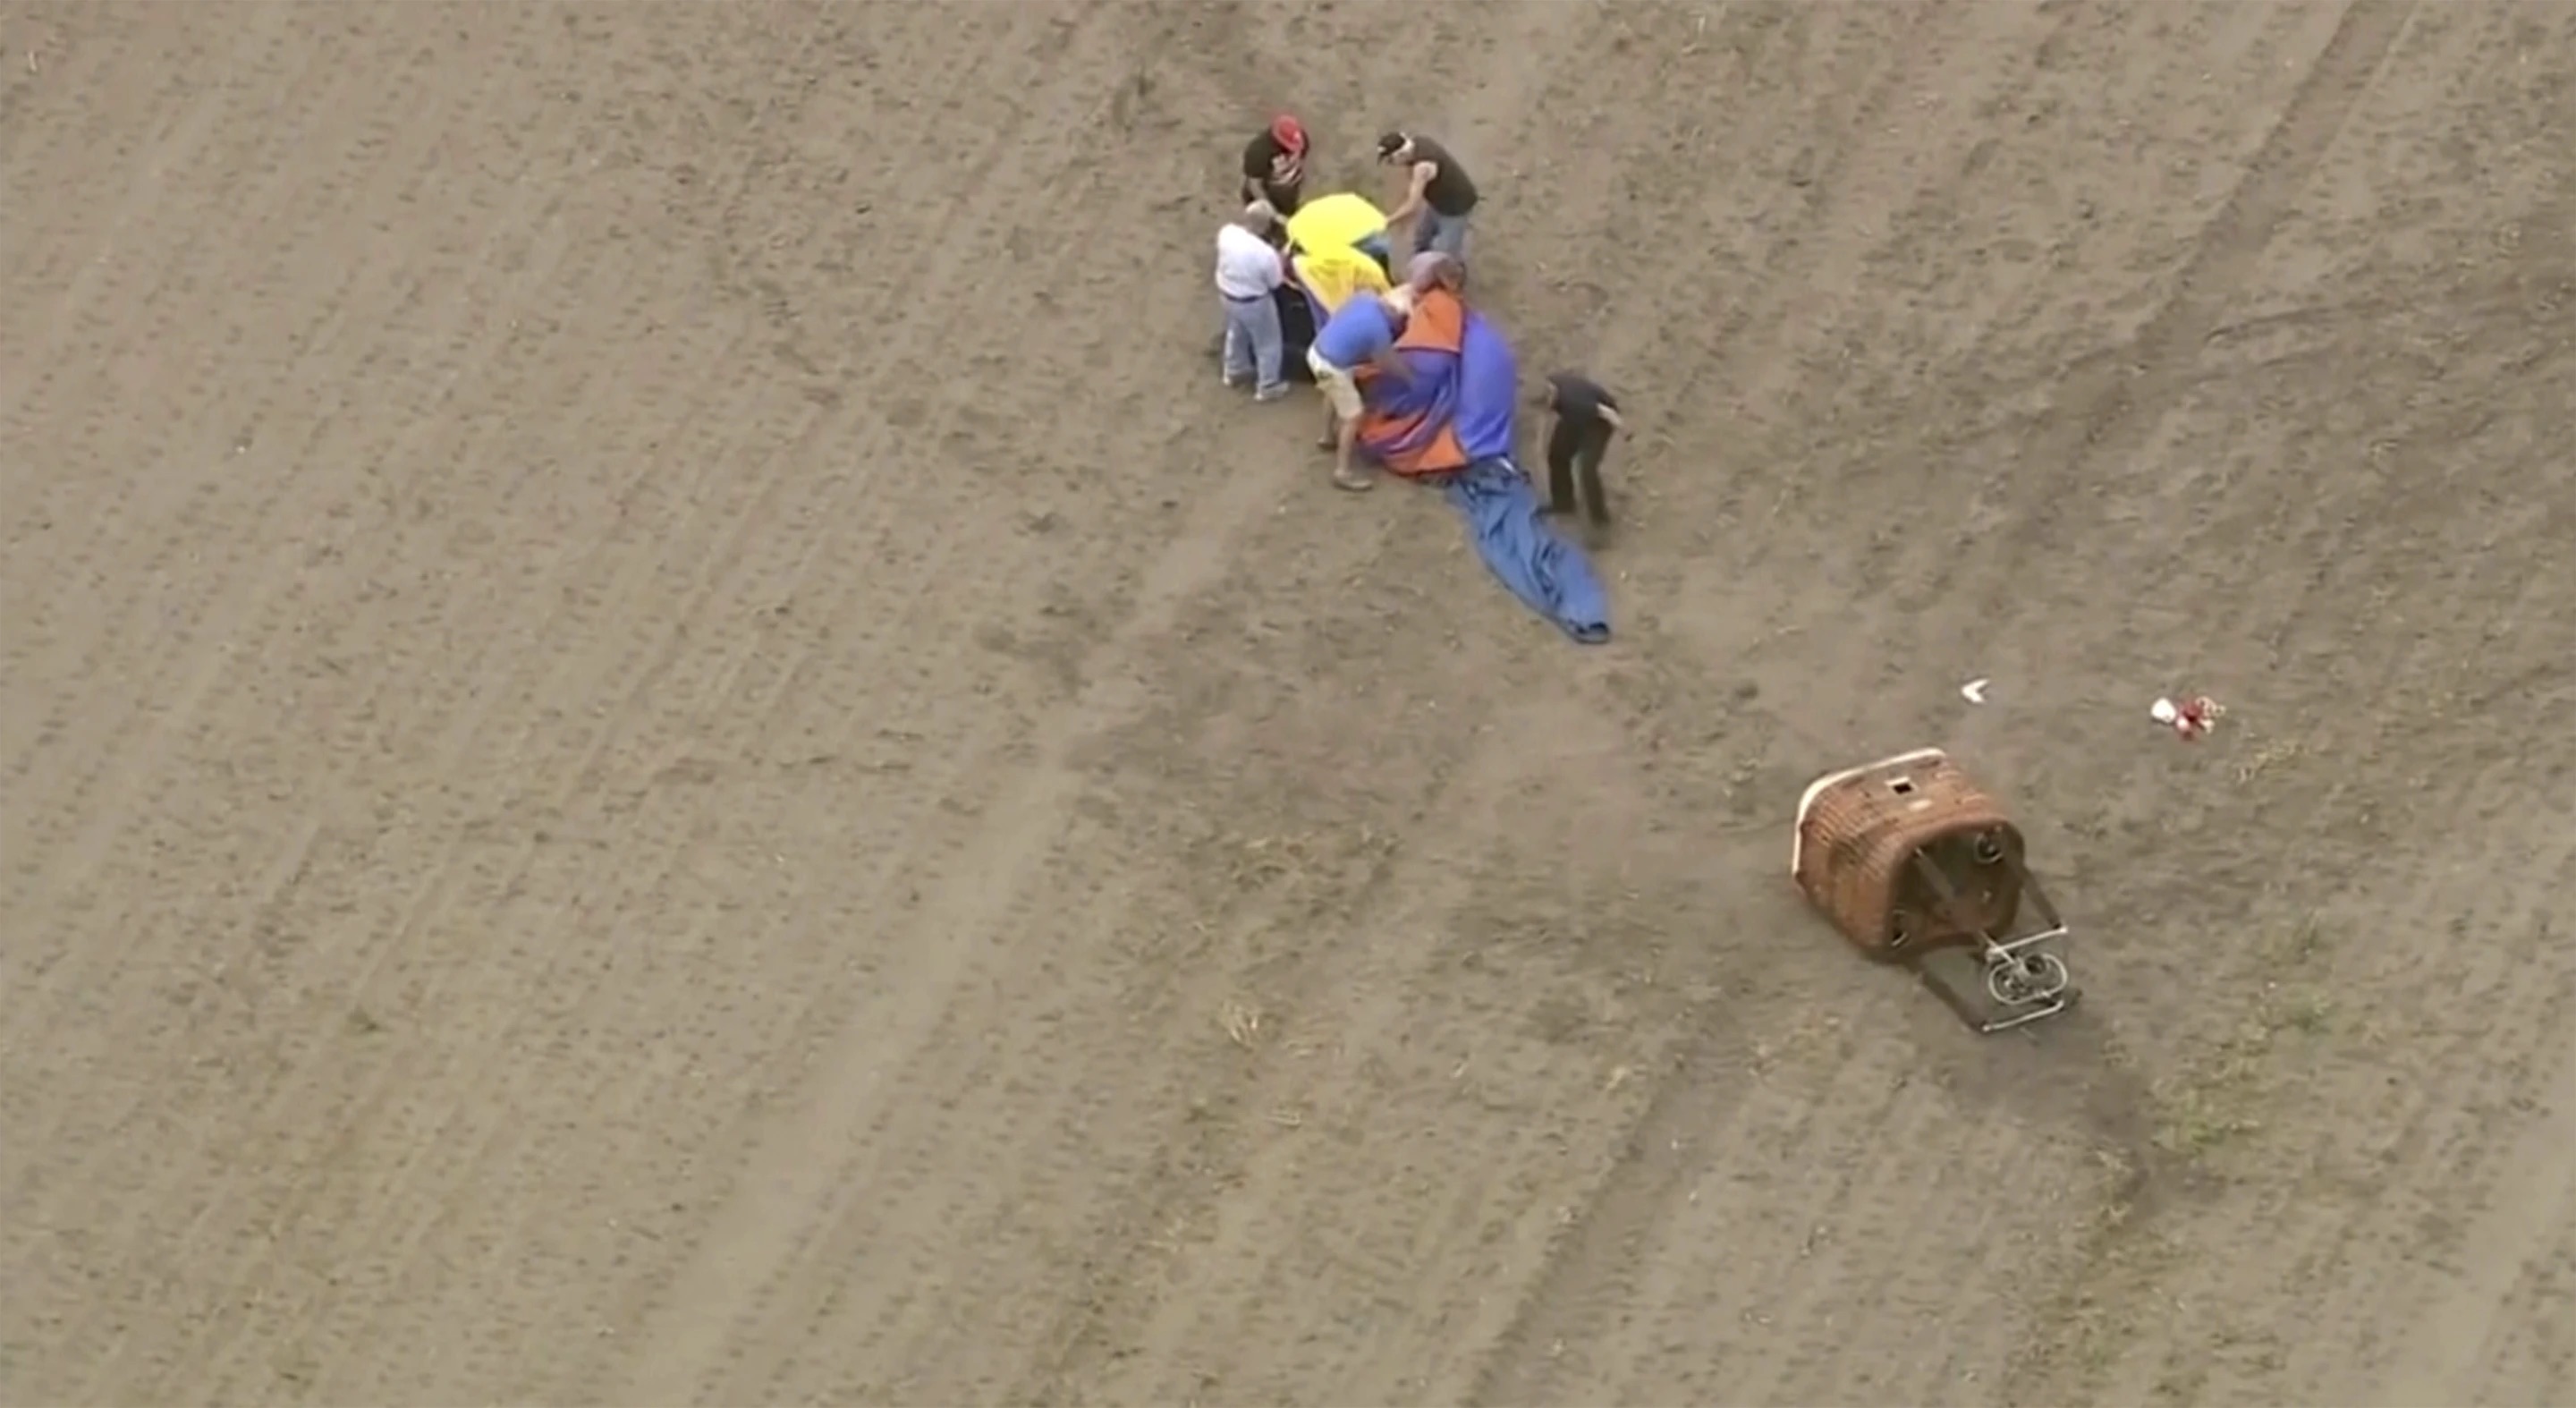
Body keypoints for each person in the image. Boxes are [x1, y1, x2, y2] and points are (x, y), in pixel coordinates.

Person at [1307, 287, 1416, 492]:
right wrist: (1409, 378)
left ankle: (1327, 436)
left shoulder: (1365, 298)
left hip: (1318, 352)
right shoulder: (1379, 330)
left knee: (1331, 392)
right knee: (1354, 415)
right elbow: (1386, 362)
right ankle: (1342, 472)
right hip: (1334, 366)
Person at [1216, 203, 1290, 400]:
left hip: (1227, 295)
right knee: (1268, 343)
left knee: (1236, 333)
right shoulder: (1265, 254)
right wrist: (1281, 258)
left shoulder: (1227, 233)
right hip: (1254, 302)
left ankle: (1234, 371)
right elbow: (1276, 282)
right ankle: (1268, 385)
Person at [1535, 372, 1626, 527]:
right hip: (1574, 418)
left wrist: (1625, 431)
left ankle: (1600, 520)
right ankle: (1563, 503)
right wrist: (1540, 446)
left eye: (1548, 403)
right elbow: (1543, 417)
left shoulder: (1575, 401)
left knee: (1587, 468)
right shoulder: (1549, 386)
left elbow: (1607, 413)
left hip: (1599, 422)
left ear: (1552, 395)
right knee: (1557, 455)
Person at [1377, 131, 1479, 265]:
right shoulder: (1417, 143)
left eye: (1391, 160)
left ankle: (1451, 272)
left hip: (1456, 207)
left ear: (1401, 154)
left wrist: (1388, 221)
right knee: (1421, 238)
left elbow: (1412, 205)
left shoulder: (1422, 168)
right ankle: (1421, 265)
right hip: (1437, 201)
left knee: (1445, 254)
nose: (1392, 165)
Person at [1241, 115, 1310, 217]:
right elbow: (1254, 185)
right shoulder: (1258, 152)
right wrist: (1272, 213)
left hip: (1289, 192)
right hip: (1264, 196)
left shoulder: (1300, 139)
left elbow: (1302, 161)